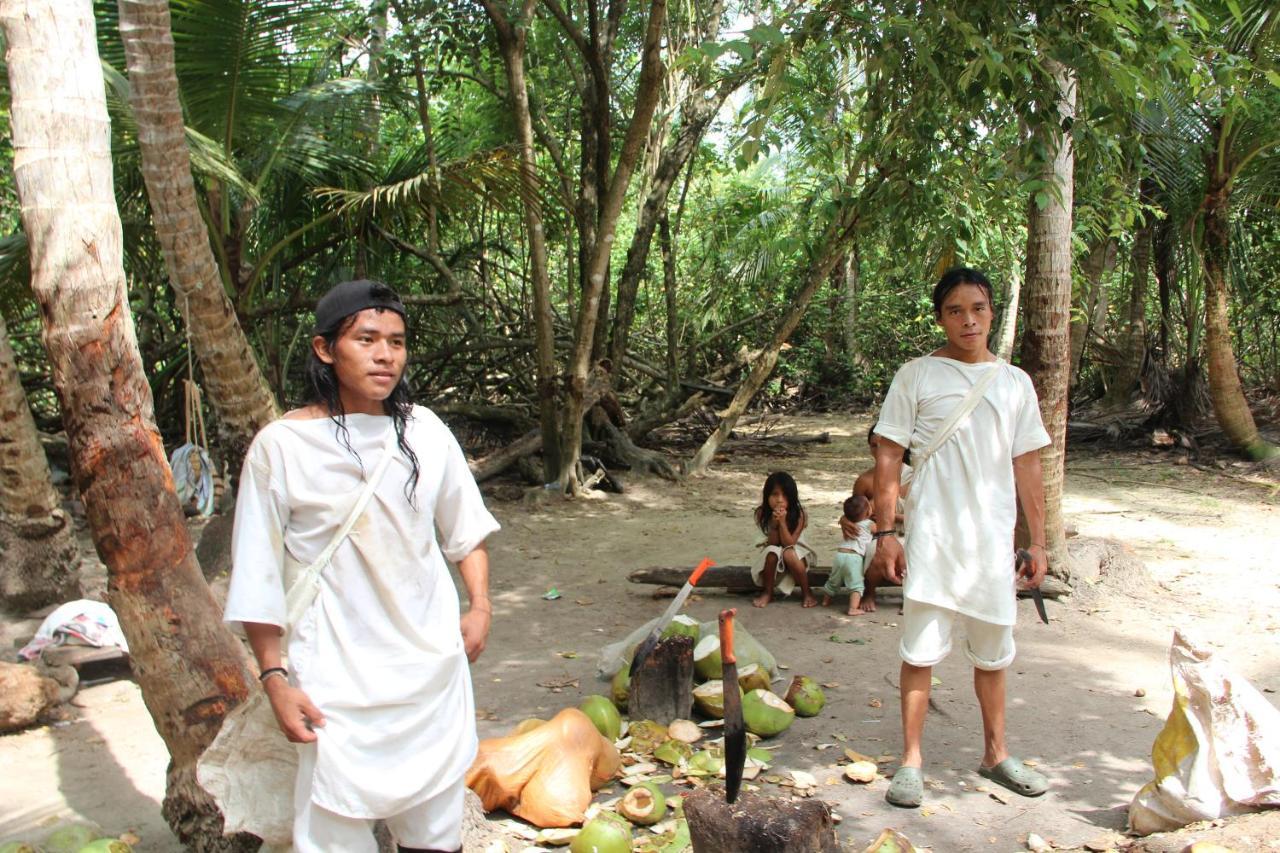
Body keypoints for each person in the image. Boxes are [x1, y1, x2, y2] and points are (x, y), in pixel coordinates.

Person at [223, 279, 500, 853]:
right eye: (366, 339)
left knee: (435, 830)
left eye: (396, 342)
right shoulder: (281, 447)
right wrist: (274, 677)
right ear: (326, 349)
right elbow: (257, 576)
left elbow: (465, 529)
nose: (384, 355)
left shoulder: (425, 432)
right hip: (334, 684)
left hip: (430, 672)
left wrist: (480, 605)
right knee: (334, 828)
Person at [866, 267, 1051, 810]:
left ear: (992, 312)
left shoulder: (1015, 383)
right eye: (955, 310)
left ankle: (996, 755)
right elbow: (889, 455)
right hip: (932, 540)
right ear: (941, 317)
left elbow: (1029, 466)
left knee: (993, 655)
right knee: (920, 652)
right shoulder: (916, 375)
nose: (968, 320)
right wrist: (886, 532)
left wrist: (1037, 542)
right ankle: (911, 761)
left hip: (991, 545)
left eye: (978, 308)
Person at [852, 428, 911, 613]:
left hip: (911, 530)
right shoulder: (865, 481)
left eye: (883, 445)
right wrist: (845, 521)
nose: (878, 450)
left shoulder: (915, 475)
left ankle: (910, 597)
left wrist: (895, 517)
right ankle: (869, 592)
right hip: (877, 533)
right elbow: (855, 513)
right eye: (873, 446)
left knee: (916, 549)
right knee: (875, 550)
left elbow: (928, 514)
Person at [750, 471, 818, 608]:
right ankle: (768, 592)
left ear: (792, 497)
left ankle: (807, 592)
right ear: (767, 495)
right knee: (772, 552)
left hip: (797, 552)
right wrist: (774, 525)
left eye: (785, 495)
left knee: (788, 552)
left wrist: (782, 523)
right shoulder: (761, 513)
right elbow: (773, 543)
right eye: (775, 494)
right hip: (773, 551)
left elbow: (789, 543)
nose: (780, 499)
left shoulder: (800, 513)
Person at [821, 495, 873, 614]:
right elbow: (880, 530)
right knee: (857, 585)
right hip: (854, 558)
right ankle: (853, 608)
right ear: (868, 511)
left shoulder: (849, 523)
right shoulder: (869, 524)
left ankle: (825, 601)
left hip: (840, 554)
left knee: (833, 581)